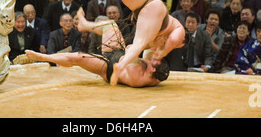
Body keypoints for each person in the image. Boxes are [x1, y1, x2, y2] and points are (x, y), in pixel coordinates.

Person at [25, 9, 168, 88]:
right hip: (120, 53)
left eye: (153, 63)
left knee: (78, 57)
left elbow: (132, 48)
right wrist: (158, 43)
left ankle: (41, 57)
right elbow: (147, 51)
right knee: (111, 24)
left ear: (152, 70)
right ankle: (85, 25)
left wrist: (147, 44)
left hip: (109, 67)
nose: (153, 60)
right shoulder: (158, 73)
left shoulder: (139, 78)